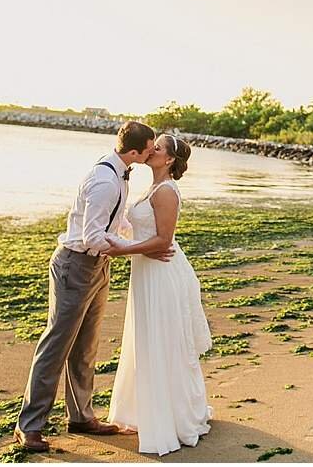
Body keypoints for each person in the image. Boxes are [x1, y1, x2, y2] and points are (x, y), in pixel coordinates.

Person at [14, 120, 172, 453]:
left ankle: (81, 417)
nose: (151, 153)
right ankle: (29, 426)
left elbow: (116, 222)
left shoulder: (121, 174)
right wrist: (137, 250)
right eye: (149, 149)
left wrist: (140, 238)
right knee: (56, 346)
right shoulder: (105, 181)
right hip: (76, 265)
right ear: (134, 152)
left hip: (98, 265)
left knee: (86, 346)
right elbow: (92, 237)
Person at [105, 132, 214, 456]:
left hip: (161, 274)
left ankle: (172, 419)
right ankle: (142, 412)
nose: (152, 149)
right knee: (146, 339)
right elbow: (144, 230)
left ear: (168, 159)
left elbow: (164, 241)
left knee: (162, 343)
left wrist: (121, 251)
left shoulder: (166, 191)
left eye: (159, 147)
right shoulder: (152, 187)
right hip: (147, 271)